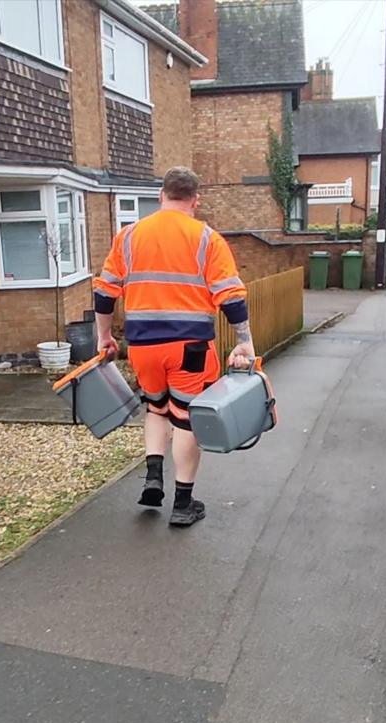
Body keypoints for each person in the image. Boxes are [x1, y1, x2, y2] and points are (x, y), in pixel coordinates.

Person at [93, 166, 254, 527]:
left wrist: (104, 337)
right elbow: (231, 297)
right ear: (195, 201)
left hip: (142, 345)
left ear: (160, 196)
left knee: (155, 408)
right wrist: (245, 342)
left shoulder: (129, 236)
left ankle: (153, 476)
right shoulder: (206, 239)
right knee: (185, 418)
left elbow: (104, 293)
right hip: (190, 347)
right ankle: (183, 503)